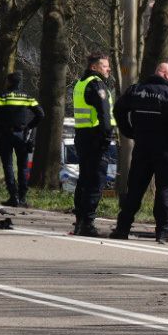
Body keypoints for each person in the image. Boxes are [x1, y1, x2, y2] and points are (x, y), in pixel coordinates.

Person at [111, 61, 168, 243]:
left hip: (142, 148)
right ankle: (162, 232)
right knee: (165, 191)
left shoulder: (136, 90)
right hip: (166, 150)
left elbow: (118, 110)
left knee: (135, 190)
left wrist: (128, 131)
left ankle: (122, 228)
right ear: (166, 75)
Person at [71, 53, 114, 237]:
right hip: (95, 136)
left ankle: (80, 221)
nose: (108, 69)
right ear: (95, 67)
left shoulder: (80, 83)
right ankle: (88, 223)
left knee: (84, 179)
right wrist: (106, 137)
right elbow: (104, 113)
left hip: (82, 135)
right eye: (105, 66)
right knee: (96, 181)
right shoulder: (97, 84)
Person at [0, 73, 43, 207]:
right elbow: (41, 114)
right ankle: (22, 197)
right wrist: (29, 126)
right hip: (22, 135)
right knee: (23, 167)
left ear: (9, 82)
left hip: (6, 134)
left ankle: (13, 196)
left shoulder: (3, 97)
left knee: (8, 166)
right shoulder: (27, 97)